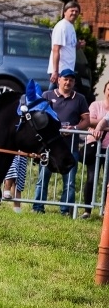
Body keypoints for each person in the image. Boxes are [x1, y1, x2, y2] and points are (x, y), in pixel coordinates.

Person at [32, 68, 89, 216]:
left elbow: (86, 120)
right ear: (59, 80)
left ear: (74, 82)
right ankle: (37, 208)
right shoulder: (47, 95)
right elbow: (39, 115)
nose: (68, 82)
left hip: (70, 148)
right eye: (65, 79)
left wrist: (74, 128)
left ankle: (65, 210)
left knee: (69, 182)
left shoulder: (80, 98)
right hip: (48, 148)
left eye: (71, 80)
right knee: (42, 179)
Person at [81, 81, 109, 219]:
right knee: (91, 178)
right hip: (95, 146)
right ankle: (87, 210)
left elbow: (96, 121)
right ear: (105, 90)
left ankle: (105, 210)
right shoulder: (95, 105)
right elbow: (89, 121)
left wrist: (101, 124)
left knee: (108, 182)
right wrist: (103, 125)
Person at [48, 1, 84, 89]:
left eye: (76, 11)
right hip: (61, 69)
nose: (74, 13)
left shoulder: (70, 26)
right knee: (54, 96)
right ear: (65, 12)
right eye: (72, 10)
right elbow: (56, 49)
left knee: (61, 97)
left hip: (68, 69)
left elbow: (69, 48)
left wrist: (78, 45)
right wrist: (55, 71)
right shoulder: (62, 26)